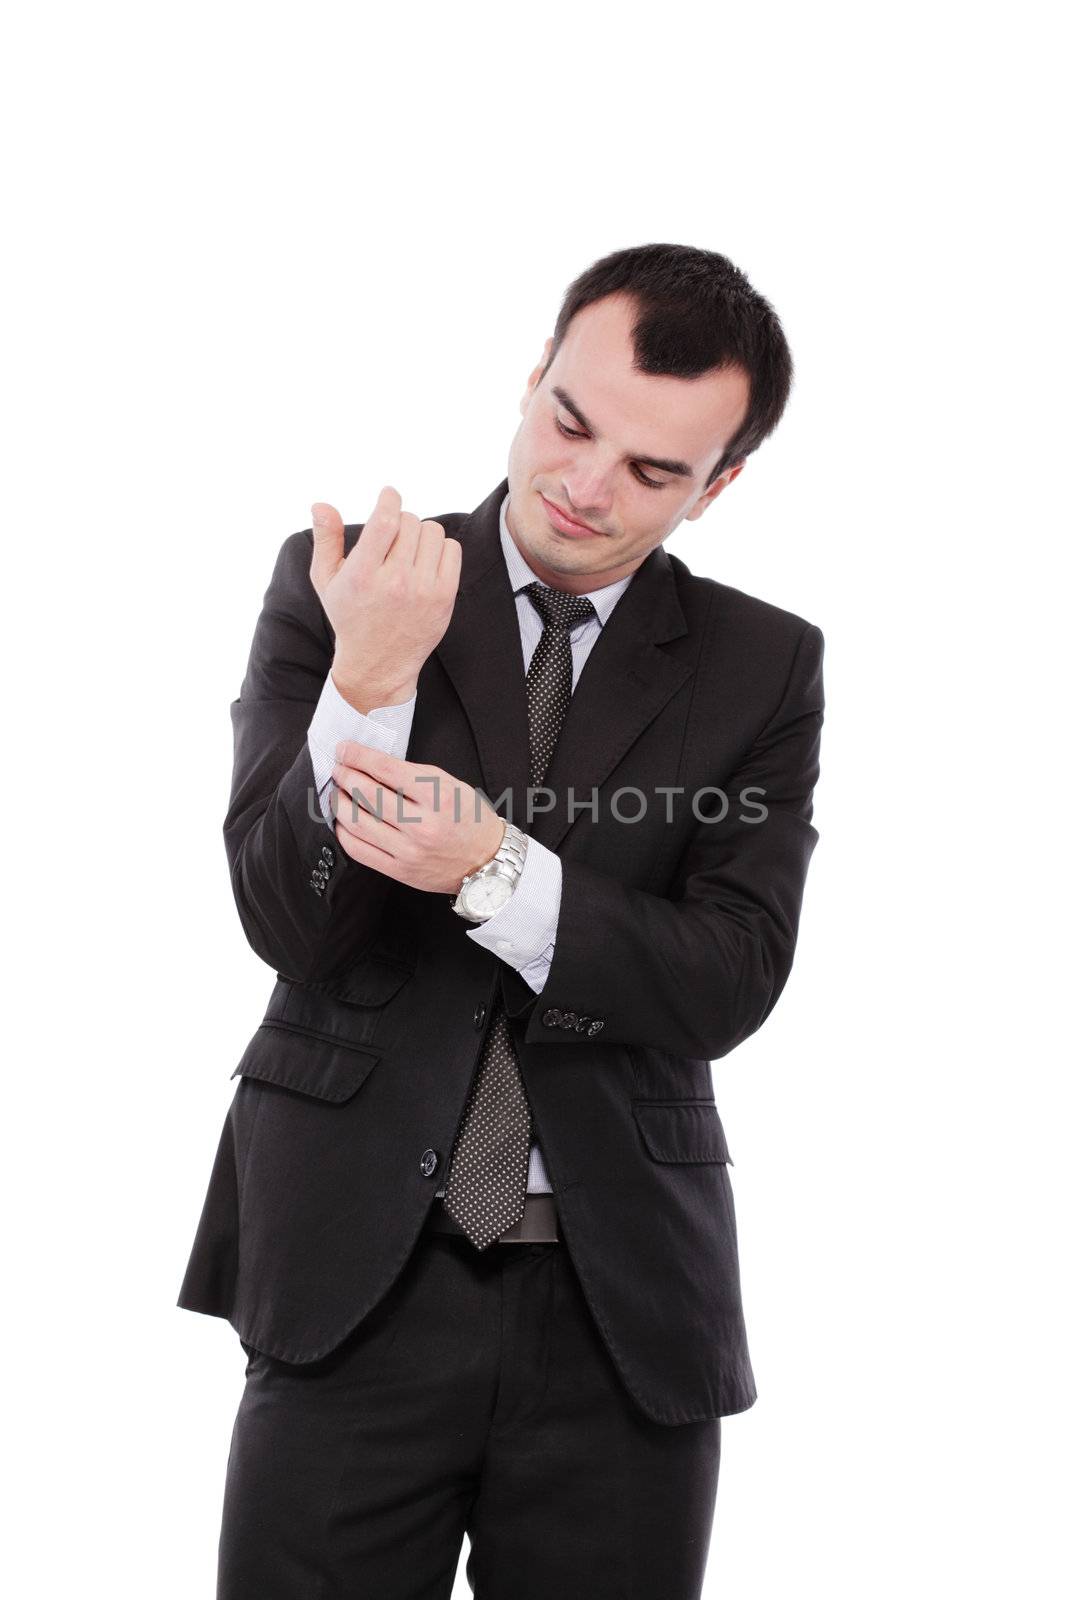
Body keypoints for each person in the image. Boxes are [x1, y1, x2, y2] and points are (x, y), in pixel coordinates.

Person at [177, 241, 825, 1599]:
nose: (586, 486)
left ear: (722, 486)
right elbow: (278, 915)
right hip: (357, 1274)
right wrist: (365, 679)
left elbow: (730, 977)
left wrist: (493, 871)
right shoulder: (342, 579)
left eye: (654, 472)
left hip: (619, 1303)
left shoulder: (765, 665)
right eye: (571, 422)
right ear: (533, 377)